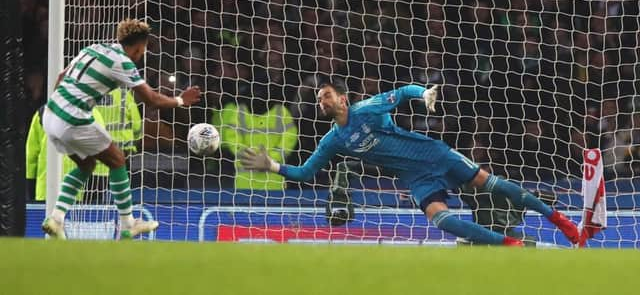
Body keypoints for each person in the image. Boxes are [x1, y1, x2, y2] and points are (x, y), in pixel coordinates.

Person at [240, 82, 580, 246]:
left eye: (326, 95)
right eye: (318, 99)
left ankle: (559, 219)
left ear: (342, 99)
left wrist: (423, 94)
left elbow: (401, 93)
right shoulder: (332, 140)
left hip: (433, 154)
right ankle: (509, 245)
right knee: (440, 219)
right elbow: (306, 172)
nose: (321, 101)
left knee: (491, 184)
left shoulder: (367, 109)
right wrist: (272, 166)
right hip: (415, 176)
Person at [41, 18, 201, 239]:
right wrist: (181, 101)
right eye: (143, 49)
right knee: (117, 159)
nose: (142, 54)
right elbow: (152, 99)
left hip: (50, 114)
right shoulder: (123, 62)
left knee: (87, 164)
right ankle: (128, 224)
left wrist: (62, 106)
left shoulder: (93, 48)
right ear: (138, 47)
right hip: (73, 117)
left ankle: (56, 219)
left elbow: (60, 77)